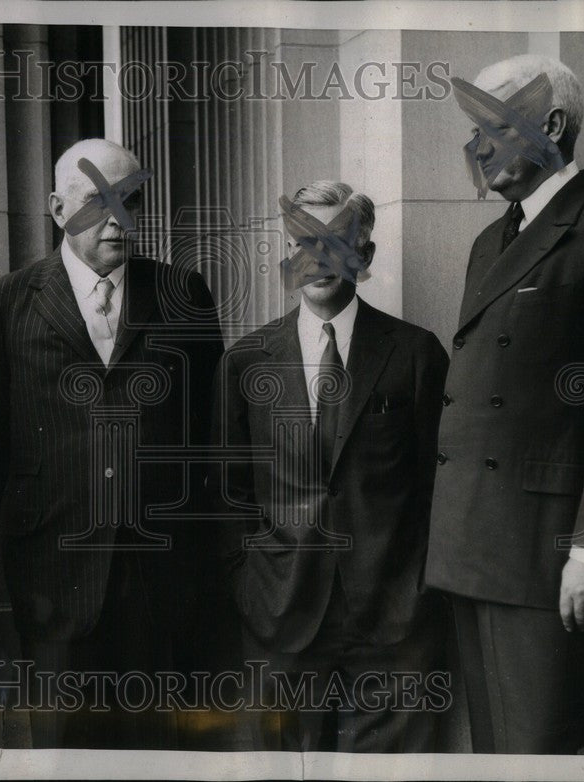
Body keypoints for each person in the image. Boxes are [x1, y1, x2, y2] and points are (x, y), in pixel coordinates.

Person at [425, 55, 584, 754]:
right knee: (496, 752)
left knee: (536, 752)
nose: (475, 148)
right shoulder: (488, 241)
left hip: (547, 552)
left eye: (491, 126)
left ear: (552, 124)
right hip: (473, 544)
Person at [0, 138, 225, 749]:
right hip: (52, 573)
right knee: (63, 752)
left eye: (130, 199)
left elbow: (209, 432)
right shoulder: (6, 302)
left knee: (163, 751)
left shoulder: (182, 293)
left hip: (162, 572)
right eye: (96, 201)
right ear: (59, 209)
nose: (117, 218)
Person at [214, 181, 450, 752]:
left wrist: (416, 589)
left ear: (364, 256)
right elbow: (228, 493)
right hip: (280, 615)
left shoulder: (416, 353)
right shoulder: (245, 362)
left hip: (392, 621)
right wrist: (250, 584)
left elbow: (437, 485)